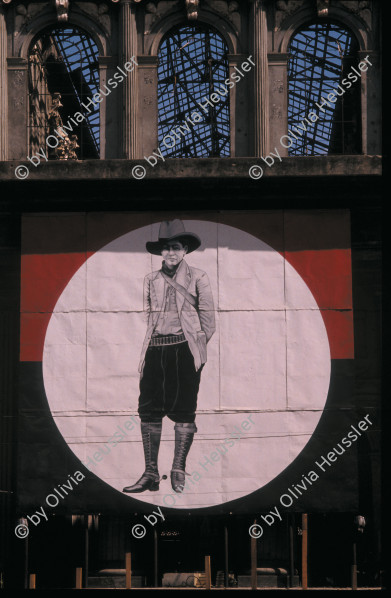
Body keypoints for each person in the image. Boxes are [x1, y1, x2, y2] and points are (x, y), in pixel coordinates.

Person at [123, 219, 215, 494]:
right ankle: (150, 472)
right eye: (165, 248)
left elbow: (208, 319)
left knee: (184, 409)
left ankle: (178, 469)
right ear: (160, 252)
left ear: (185, 249)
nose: (170, 253)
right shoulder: (150, 280)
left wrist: (195, 348)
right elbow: (148, 316)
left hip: (183, 350)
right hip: (155, 349)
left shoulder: (199, 277)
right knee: (149, 409)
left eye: (175, 247)